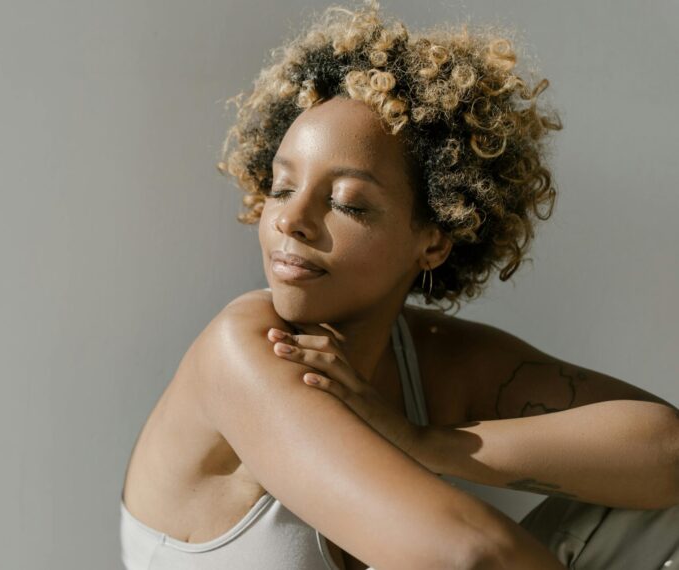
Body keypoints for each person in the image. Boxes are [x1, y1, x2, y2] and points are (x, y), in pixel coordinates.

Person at [119, 2, 679, 569]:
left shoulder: (437, 356)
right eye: (282, 188)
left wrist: (425, 443)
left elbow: (669, 453)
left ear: (433, 240)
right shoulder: (244, 353)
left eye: (347, 203)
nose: (291, 220)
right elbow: (469, 554)